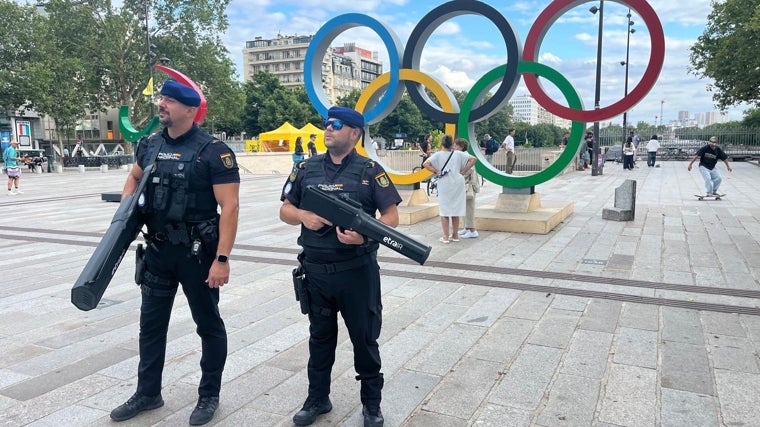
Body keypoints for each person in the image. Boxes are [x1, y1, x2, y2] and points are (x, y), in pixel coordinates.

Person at [109, 80, 240, 426]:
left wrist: (222, 259)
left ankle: (208, 395)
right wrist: (126, 212)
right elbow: (134, 178)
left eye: (169, 100)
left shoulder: (214, 151)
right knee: (150, 326)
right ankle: (148, 392)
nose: (162, 104)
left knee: (208, 325)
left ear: (189, 109)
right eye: (162, 98)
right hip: (158, 252)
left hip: (198, 255)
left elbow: (229, 207)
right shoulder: (149, 145)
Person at [280, 106, 401, 427]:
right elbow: (285, 209)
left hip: (357, 273)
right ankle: (317, 399)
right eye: (326, 124)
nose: (327, 128)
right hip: (316, 272)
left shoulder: (370, 170)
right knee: (319, 339)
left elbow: (391, 217)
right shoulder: (306, 168)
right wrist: (303, 215)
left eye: (335, 124)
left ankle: (371, 405)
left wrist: (363, 235)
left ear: (354, 133)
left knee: (364, 339)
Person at [423, 134, 476, 243]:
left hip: (445, 183)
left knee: (445, 210)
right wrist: (464, 171)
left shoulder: (438, 155)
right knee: (456, 209)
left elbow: (425, 163)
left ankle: (446, 236)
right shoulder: (458, 154)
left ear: (442, 144)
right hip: (458, 182)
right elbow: (473, 159)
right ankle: (455, 235)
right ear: (452, 144)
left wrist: (436, 171)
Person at [455, 138, 479, 239]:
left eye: (456, 146)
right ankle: (467, 227)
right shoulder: (463, 156)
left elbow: (469, 170)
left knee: (469, 208)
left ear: (461, 147)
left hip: (468, 186)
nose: (454, 147)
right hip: (464, 185)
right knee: (464, 208)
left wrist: (460, 172)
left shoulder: (467, 157)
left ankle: (472, 230)